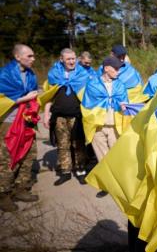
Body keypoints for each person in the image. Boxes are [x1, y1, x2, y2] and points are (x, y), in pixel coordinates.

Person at [81, 56, 128, 198]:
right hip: (98, 126)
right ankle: (107, 186)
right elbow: (87, 106)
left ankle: (120, 184)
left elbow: (124, 100)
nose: (118, 72)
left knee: (115, 156)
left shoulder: (120, 84)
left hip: (115, 125)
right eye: (116, 69)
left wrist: (123, 104)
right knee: (102, 157)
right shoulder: (92, 84)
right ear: (106, 68)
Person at [0, 44, 39, 212]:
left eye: (33, 56)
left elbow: (32, 93)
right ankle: (3, 195)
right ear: (18, 57)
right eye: (29, 56)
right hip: (9, 122)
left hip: (27, 120)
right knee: (8, 158)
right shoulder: (4, 75)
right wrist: (23, 99)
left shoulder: (31, 74)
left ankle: (20, 188)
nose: (33, 59)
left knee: (29, 154)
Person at [43, 48, 90, 186]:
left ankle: (81, 171)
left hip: (77, 116)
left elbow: (89, 96)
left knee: (79, 144)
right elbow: (48, 97)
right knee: (62, 145)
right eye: (68, 59)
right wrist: (46, 114)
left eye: (74, 58)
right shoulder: (54, 75)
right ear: (61, 59)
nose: (72, 61)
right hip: (59, 117)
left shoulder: (83, 74)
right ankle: (65, 172)